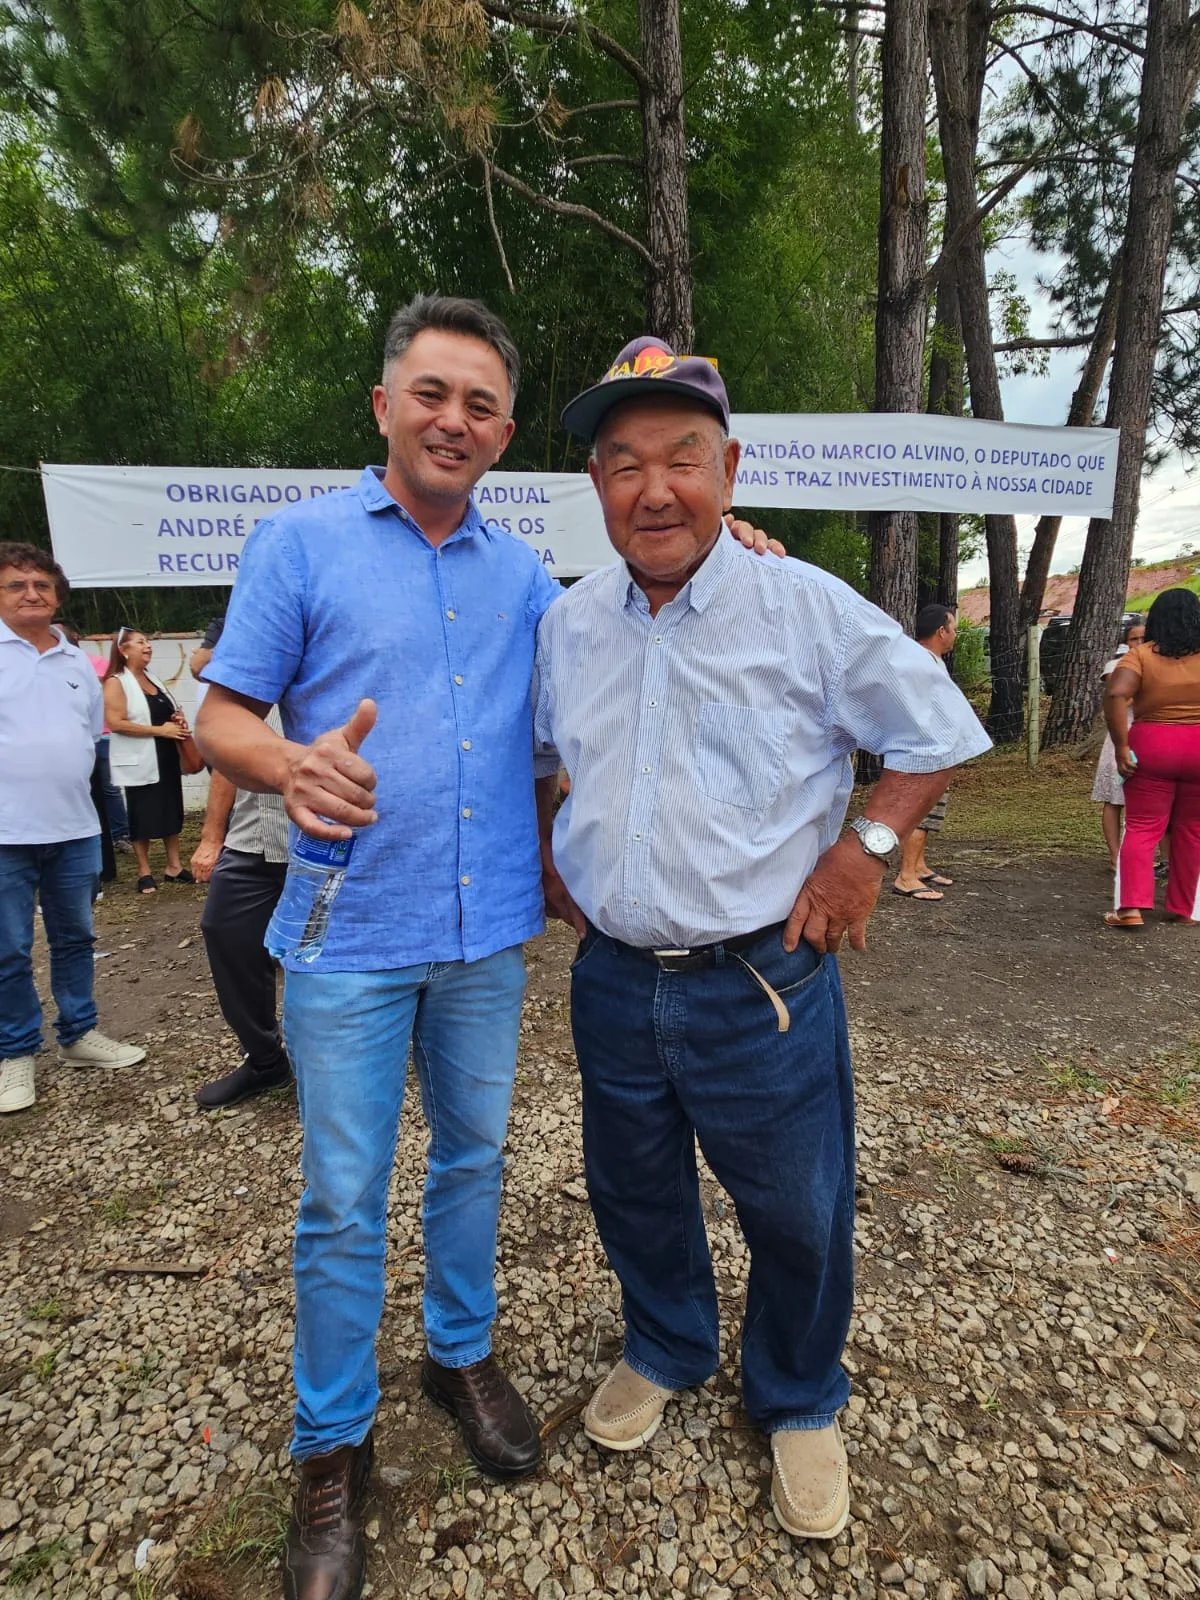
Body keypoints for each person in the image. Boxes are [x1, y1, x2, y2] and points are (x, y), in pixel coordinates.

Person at [196, 294, 778, 1600]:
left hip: (483, 938)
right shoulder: (299, 544)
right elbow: (220, 716)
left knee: (474, 1159)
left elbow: (626, 634)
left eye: (480, 405)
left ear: (505, 434)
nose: (453, 420)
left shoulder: (524, 578)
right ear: (384, 405)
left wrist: (731, 544)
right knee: (343, 1196)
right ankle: (330, 1447)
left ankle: (457, 1353)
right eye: (432, 393)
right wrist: (286, 762)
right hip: (349, 938)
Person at [532, 338, 991, 1541]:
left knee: (797, 1204)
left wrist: (866, 849)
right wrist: (553, 856)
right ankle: (668, 1342)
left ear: (729, 469)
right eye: (625, 463)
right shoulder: (568, 624)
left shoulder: (804, 608)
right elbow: (545, 756)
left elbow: (936, 728)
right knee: (633, 1189)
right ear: (596, 484)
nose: (655, 489)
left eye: (682, 457)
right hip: (613, 980)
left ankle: (797, 1392)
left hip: (761, 981)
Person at [0, 542, 146, 1115]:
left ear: (57, 597)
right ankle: (16, 1053)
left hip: (75, 827)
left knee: (75, 938)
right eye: (16, 584)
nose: (31, 594)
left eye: (42, 585)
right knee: (9, 950)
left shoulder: (77, 664)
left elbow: (88, 736)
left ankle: (79, 1033)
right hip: (6, 834)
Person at [189, 623, 292, 1110]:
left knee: (329, 961)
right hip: (253, 834)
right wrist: (212, 837)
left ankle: (343, 1065)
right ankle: (266, 1060)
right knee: (225, 930)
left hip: (328, 841)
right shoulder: (256, 646)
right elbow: (228, 761)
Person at [1105, 587, 1200, 928]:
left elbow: (1116, 694)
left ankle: (1131, 908)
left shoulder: (1141, 655)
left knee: (1143, 827)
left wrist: (1121, 746)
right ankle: (1185, 910)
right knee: (1193, 830)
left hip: (1153, 745)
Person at [103, 629, 193, 894]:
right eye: (140, 642)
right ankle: (144, 871)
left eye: (148, 642)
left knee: (171, 808)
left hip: (165, 755)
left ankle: (173, 866)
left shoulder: (153, 679)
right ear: (123, 650)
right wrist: (160, 731)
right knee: (141, 813)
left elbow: (164, 712)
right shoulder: (117, 682)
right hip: (140, 758)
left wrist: (176, 720)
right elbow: (116, 723)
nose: (148, 646)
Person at [891, 602, 959, 901]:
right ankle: (905, 876)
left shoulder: (933, 661)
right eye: (954, 629)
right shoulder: (919, 662)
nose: (955, 635)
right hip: (923, 751)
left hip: (939, 749)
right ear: (941, 631)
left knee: (932, 811)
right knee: (921, 812)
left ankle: (918, 866)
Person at [1092, 617, 1147, 867]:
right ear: (1126, 641)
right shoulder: (1116, 665)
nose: (1139, 642)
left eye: (1143, 638)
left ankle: (1144, 855)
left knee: (1146, 800)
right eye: (1134, 638)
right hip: (1120, 736)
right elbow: (1119, 697)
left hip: (1148, 736)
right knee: (1114, 798)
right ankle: (1115, 855)